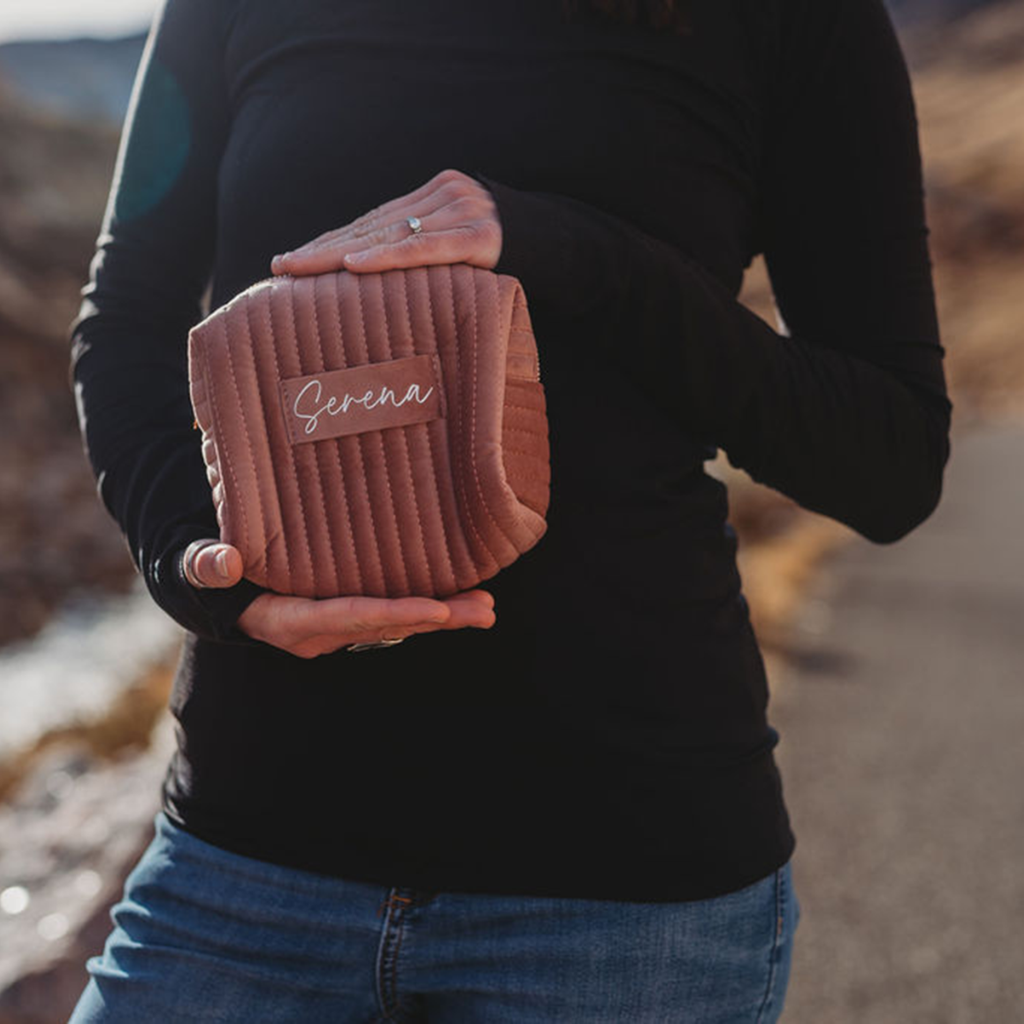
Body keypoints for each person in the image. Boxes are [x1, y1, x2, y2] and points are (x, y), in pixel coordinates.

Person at [66, 0, 952, 1020]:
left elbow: (889, 460)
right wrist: (198, 563)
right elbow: (125, 319)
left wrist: (571, 252)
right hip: (244, 867)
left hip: (623, 910)